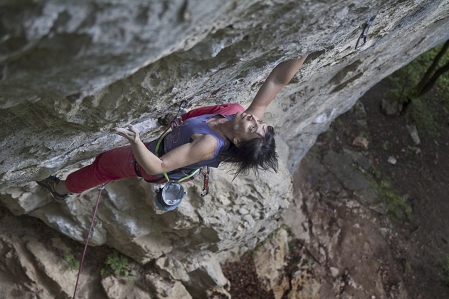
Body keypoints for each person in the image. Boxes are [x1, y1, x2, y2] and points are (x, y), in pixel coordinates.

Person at [37, 55, 308, 205]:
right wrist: (305, 48)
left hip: (148, 160)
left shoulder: (208, 144)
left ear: (237, 141)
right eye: (260, 123)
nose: (254, 119)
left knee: (103, 165)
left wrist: (135, 141)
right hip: (171, 141)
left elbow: (156, 166)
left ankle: (61, 189)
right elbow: (276, 81)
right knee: (234, 104)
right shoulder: (235, 116)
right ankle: (172, 122)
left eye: (253, 127)